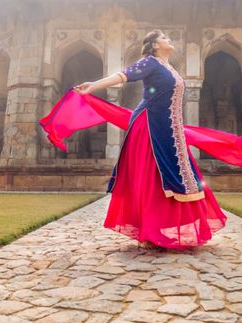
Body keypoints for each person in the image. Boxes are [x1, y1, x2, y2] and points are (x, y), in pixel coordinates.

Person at [73, 30, 228, 250]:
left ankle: (159, 228)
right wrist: (94, 86)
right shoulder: (150, 62)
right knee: (152, 176)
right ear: (154, 45)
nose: (168, 39)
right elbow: (124, 75)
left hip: (168, 127)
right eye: (164, 38)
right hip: (149, 125)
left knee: (173, 174)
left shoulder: (169, 67)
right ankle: (149, 231)